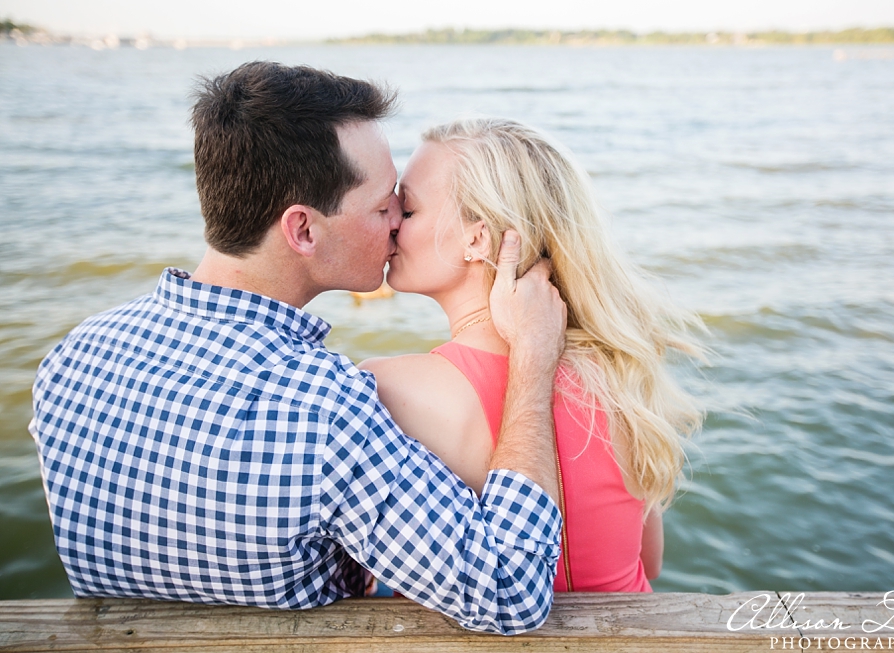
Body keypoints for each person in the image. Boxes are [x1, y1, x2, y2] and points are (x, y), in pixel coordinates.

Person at [29, 63, 568, 635]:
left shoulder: (70, 361)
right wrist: (532, 362)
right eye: (384, 206)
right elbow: (510, 591)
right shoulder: (323, 410)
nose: (395, 226)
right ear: (304, 231)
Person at [361, 118, 703, 592]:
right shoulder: (617, 368)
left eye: (410, 209)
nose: (392, 221)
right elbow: (651, 561)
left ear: (476, 239)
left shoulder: (386, 390)